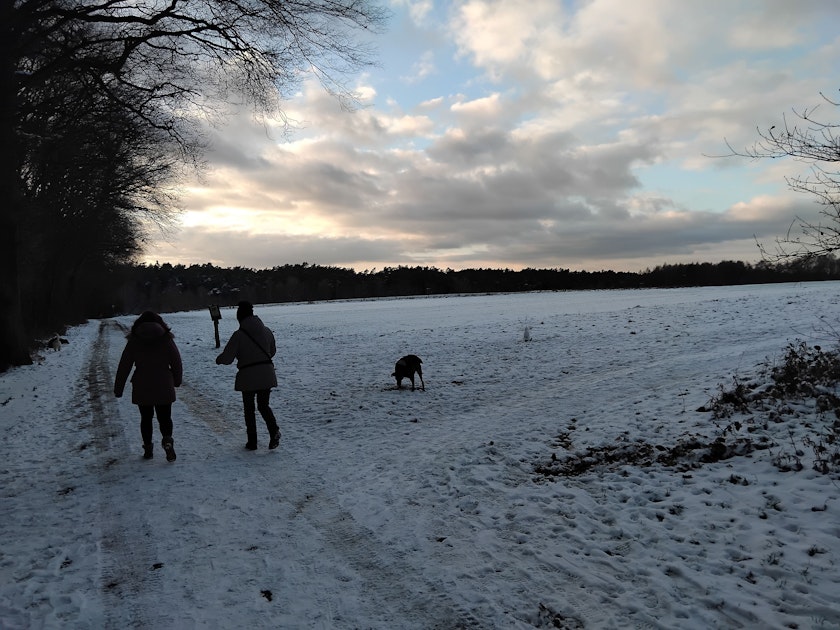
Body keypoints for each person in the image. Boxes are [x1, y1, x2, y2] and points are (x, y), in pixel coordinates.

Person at [114, 311, 183, 461]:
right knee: (165, 417)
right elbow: (176, 361)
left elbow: (124, 366)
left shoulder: (134, 341)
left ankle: (148, 449)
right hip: (164, 384)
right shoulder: (166, 339)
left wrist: (118, 388)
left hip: (142, 385)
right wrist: (177, 380)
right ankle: (167, 441)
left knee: (146, 418)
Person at [216, 301, 281, 451]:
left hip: (248, 376)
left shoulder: (238, 335)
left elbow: (227, 358)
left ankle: (252, 442)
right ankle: (274, 431)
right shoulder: (267, 331)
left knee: (249, 409)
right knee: (263, 406)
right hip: (266, 373)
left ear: (240, 318)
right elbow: (272, 351)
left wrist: (219, 360)